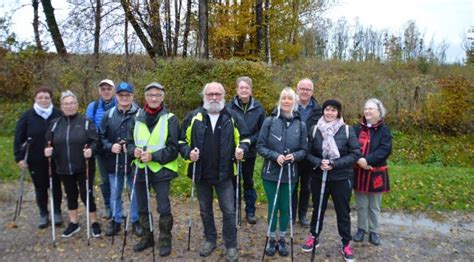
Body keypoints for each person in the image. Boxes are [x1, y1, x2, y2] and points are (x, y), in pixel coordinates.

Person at [179, 82, 250, 262]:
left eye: (218, 94)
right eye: (210, 94)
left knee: (229, 211)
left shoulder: (232, 116)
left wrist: (242, 148)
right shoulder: (193, 117)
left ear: (223, 96)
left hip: (225, 174)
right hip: (201, 173)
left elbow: (246, 138)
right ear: (204, 96)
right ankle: (210, 239)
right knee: (205, 210)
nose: (214, 98)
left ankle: (231, 245)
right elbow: (180, 142)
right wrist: (188, 153)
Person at [301, 99, 360, 262]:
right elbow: (307, 153)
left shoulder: (347, 130)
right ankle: (313, 236)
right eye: (327, 109)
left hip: (341, 178)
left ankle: (346, 243)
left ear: (338, 112)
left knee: (343, 212)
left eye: (333, 110)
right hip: (319, 177)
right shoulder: (314, 130)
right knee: (318, 209)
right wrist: (318, 162)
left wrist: (334, 164)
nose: (329, 113)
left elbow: (355, 154)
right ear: (323, 111)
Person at [127, 82, 179, 257]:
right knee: (142, 206)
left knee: (163, 207)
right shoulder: (136, 116)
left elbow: (173, 149)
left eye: (158, 95)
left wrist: (153, 156)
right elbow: (128, 142)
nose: (154, 98)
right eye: (150, 95)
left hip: (161, 171)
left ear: (163, 97)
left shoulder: (170, 118)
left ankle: (165, 239)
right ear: (145, 97)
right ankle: (147, 237)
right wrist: (132, 150)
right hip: (140, 170)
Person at [257, 87, 308, 257]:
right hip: (271, 172)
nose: (286, 101)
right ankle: (272, 238)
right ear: (280, 101)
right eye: (284, 98)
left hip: (290, 173)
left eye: (290, 98)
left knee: (286, 207)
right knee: (274, 206)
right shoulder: (269, 121)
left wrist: (294, 156)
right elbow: (260, 146)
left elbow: (304, 150)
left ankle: (283, 238)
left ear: (295, 102)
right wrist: (274, 156)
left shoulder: (300, 124)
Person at [45, 90, 102, 238]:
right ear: (61, 106)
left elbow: (96, 142)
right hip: (63, 166)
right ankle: (74, 223)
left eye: (72, 103)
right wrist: (48, 150)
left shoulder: (86, 122)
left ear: (77, 105)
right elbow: (48, 142)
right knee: (70, 194)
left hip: (84, 166)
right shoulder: (55, 124)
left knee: (86, 194)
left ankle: (94, 223)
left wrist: (91, 150)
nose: (69, 106)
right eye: (66, 104)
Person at [13, 87, 63, 228]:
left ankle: (57, 212)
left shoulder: (58, 114)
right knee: (40, 187)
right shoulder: (27, 116)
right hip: (35, 159)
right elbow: (18, 138)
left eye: (46, 98)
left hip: (56, 158)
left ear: (51, 99)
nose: (43, 100)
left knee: (56, 186)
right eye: (40, 97)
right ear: (35, 99)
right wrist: (19, 157)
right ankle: (43, 213)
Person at [99, 82, 143, 237]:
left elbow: (145, 137)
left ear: (132, 96)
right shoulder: (108, 115)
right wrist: (111, 146)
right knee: (115, 193)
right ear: (116, 96)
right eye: (121, 95)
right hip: (113, 162)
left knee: (135, 193)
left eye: (127, 95)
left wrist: (136, 149)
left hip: (134, 162)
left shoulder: (140, 114)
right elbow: (100, 138)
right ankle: (116, 220)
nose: (124, 98)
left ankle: (135, 220)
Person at [353, 98, 392, 246]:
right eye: (366, 108)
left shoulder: (384, 131)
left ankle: (374, 230)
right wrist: (359, 160)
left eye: (371, 109)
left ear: (379, 112)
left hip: (376, 173)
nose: (367, 111)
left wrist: (367, 160)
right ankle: (361, 229)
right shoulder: (357, 129)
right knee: (361, 204)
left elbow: (385, 150)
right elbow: (351, 146)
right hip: (359, 172)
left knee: (374, 205)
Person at [227, 76, 266, 224]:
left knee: (248, 181)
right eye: (241, 87)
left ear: (251, 89)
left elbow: (262, 131)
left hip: (249, 151)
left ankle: (250, 211)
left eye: (247, 88)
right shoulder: (228, 107)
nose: (244, 90)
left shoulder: (258, 108)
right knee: (233, 181)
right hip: (232, 151)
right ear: (237, 89)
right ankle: (234, 211)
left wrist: (249, 141)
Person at [293, 78, 322, 227]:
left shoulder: (319, 109)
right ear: (297, 89)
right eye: (302, 89)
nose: (304, 91)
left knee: (306, 187)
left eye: (308, 89)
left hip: (310, 154)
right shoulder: (289, 105)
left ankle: (302, 215)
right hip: (293, 153)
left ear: (312, 91)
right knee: (292, 185)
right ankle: (291, 215)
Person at [86, 79, 116, 219]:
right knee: (105, 180)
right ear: (99, 91)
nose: (106, 91)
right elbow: (89, 127)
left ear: (113, 90)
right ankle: (108, 206)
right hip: (101, 150)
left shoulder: (121, 103)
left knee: (120, 179)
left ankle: (119, 206)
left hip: (118, 149)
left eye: (109, 89)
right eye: (103, 89)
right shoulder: (93, 107)